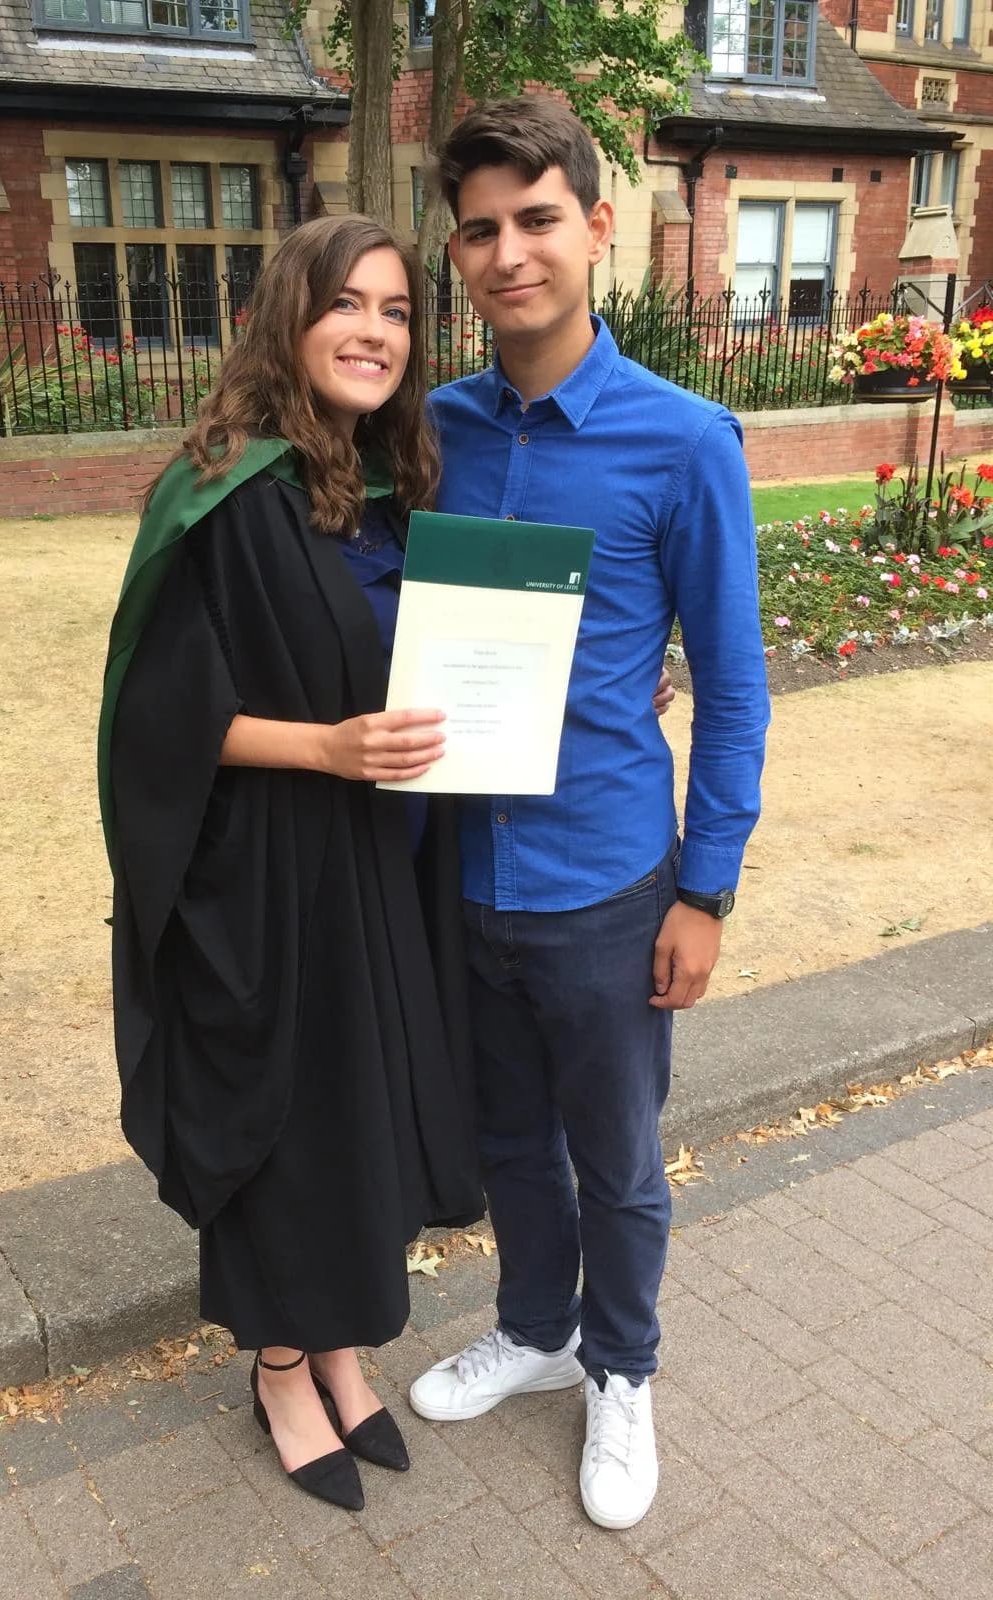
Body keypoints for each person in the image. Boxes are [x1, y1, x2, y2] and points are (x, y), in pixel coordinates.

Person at [408, 98, 771, 1532]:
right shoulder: (429, 426)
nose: (512, 252)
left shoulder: (683, 444)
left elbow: (734, 690)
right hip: (463, 871)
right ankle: (539, 1331)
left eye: (539, 218)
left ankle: (622, 1370)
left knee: (616, 1159)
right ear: (460, 254)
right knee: (508, 1143)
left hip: (609, 882)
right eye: (484, 230)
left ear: (597, 229)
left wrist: (707, 887)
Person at [97, 215, 489, 1512]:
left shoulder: (393, 480)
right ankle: (276, 1365)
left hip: (379, 860)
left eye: (396, 309)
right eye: (347, 304)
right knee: (284, 1120)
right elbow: (164, 720)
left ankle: (336, 1343)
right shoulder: (222, 487)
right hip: (264, 870)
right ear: (290, 317)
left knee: (360, 1111)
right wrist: (322, 748)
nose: (375, 329)